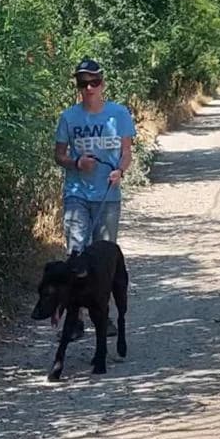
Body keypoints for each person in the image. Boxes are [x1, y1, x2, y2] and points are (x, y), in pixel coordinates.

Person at [54, 58, 136, 334]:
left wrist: (120, 172)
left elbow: (126, 152)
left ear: (103, 83)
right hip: (77, 194)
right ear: (77, 85)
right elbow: (59, 155)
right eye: (83, 82)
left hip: (108, 195)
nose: (89, 88)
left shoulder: (119, 114)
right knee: (76, 251)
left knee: (104, 256)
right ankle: (73, 318)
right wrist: (76, 163)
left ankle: (103, 315)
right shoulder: (68, 117)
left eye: (94, 82)